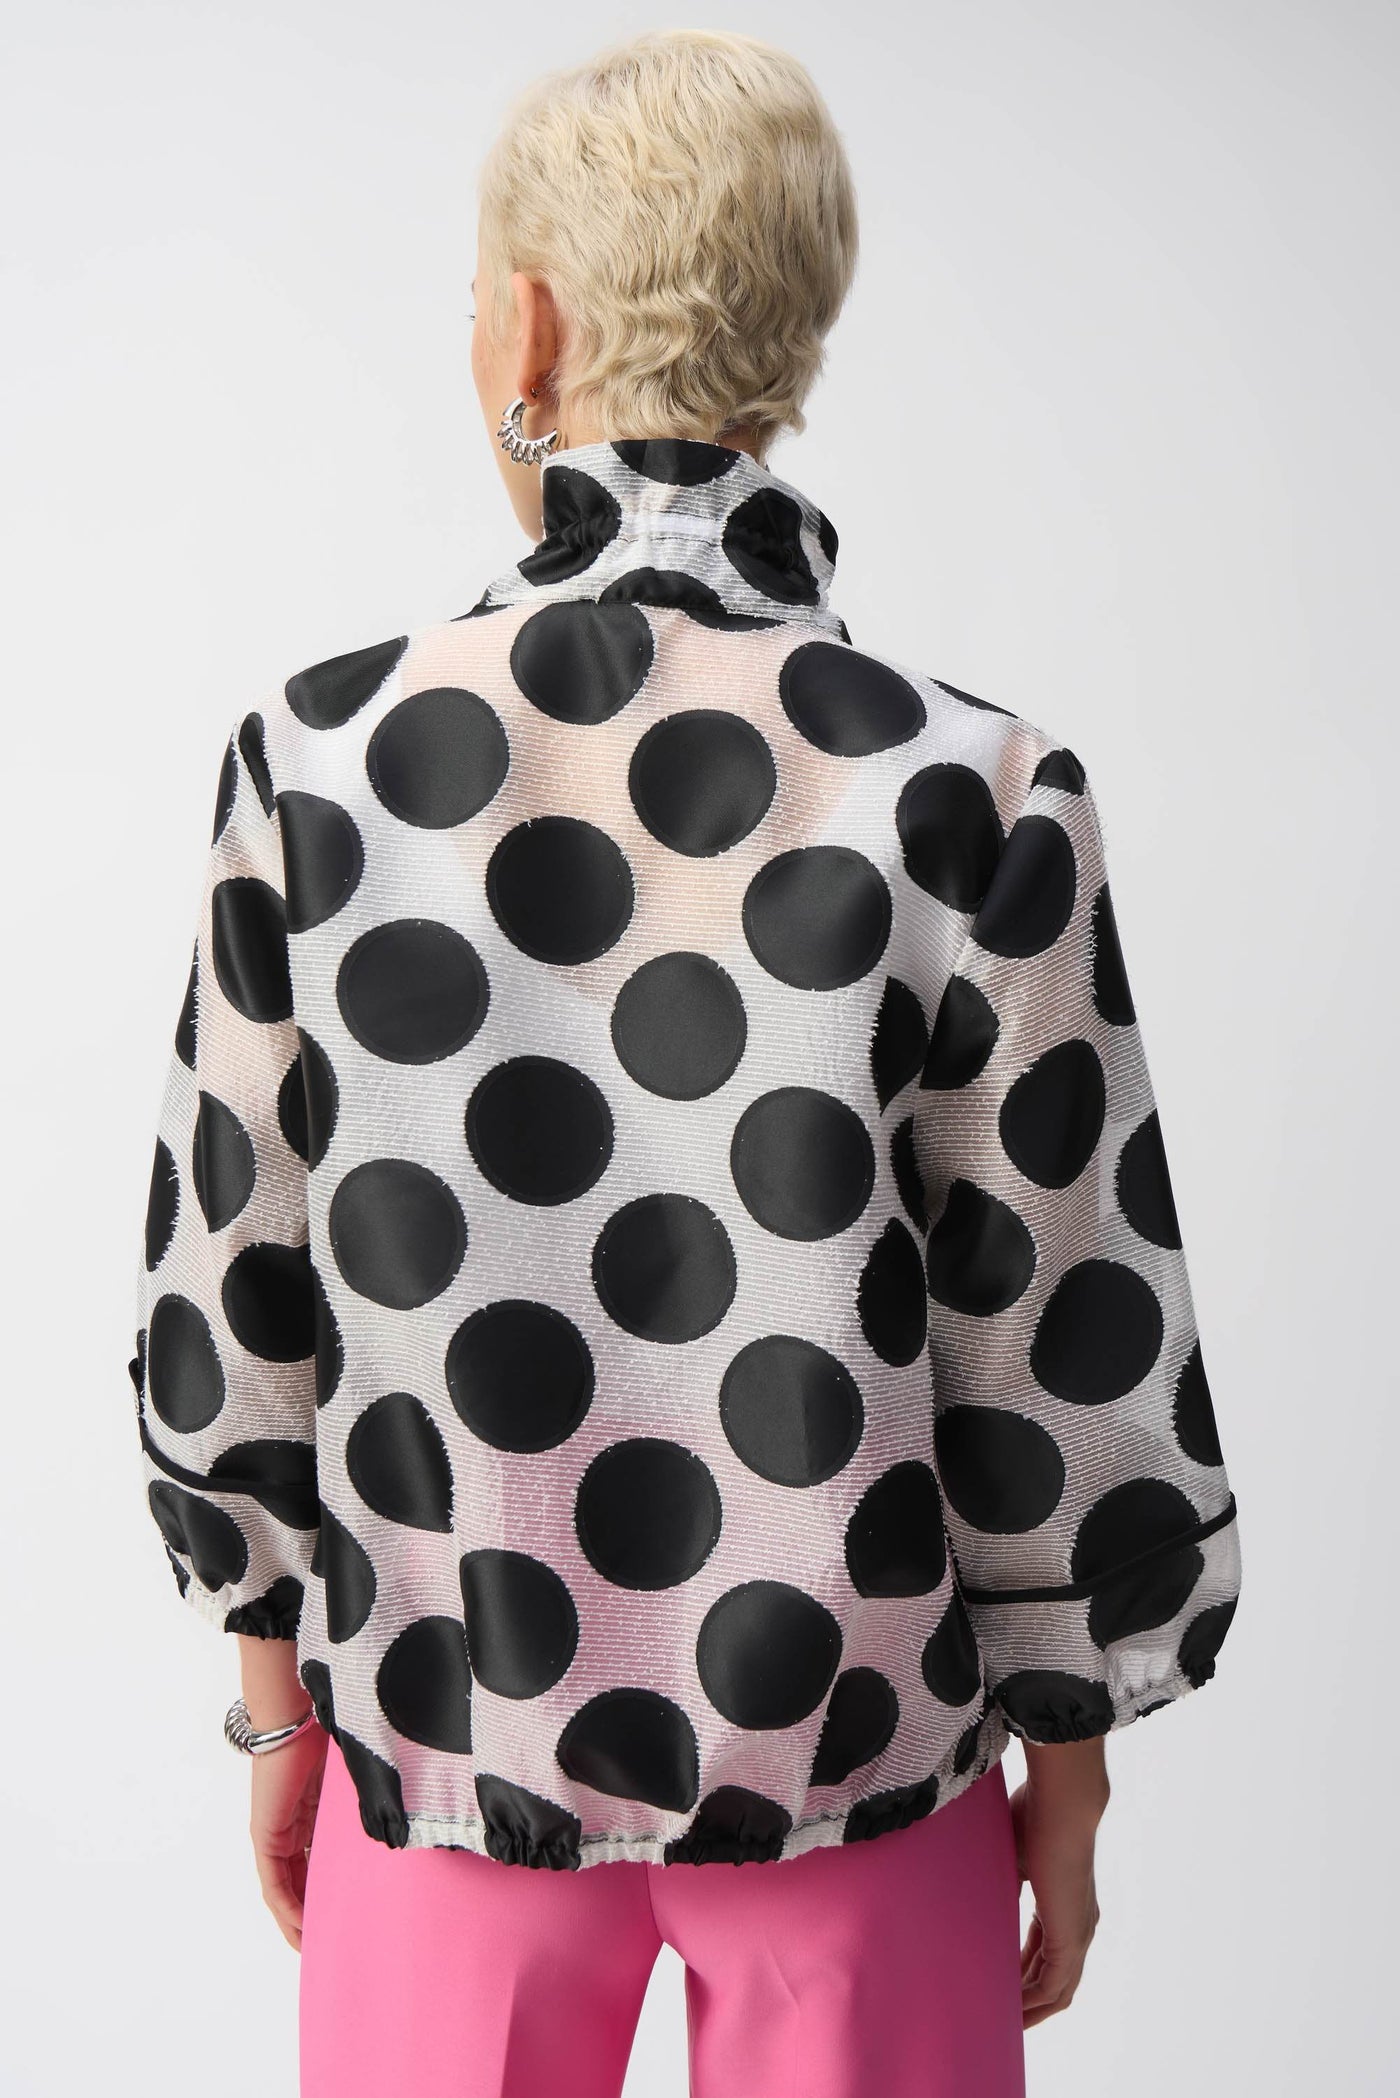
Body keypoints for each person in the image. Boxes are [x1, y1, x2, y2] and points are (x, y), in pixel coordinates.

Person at [127, 28, 1242, 2098]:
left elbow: (237, 1291)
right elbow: (1058, 1327)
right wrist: (1070, 1765)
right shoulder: (972, 789)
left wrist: (276, 1696)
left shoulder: (317, 768)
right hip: (860, 1763)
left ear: (530, 327)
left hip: (446, 1756)